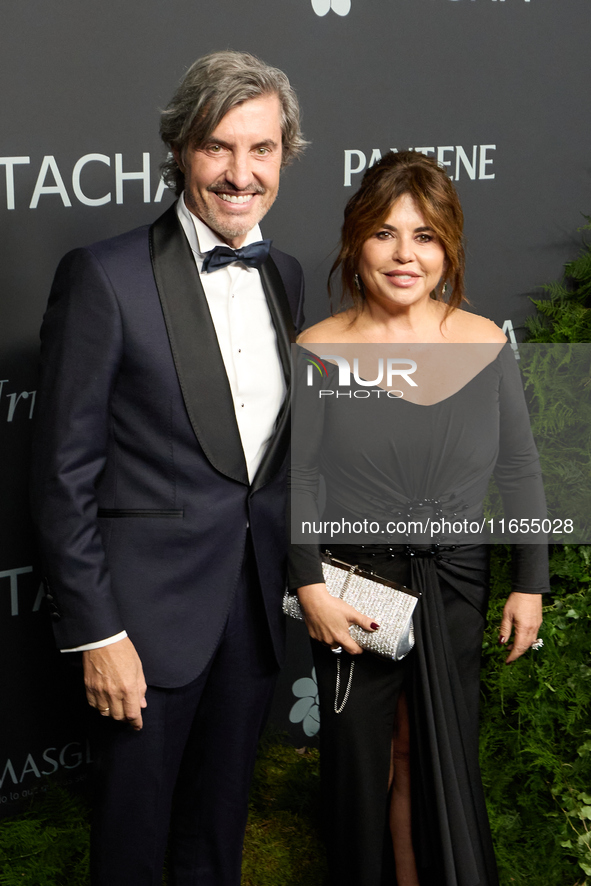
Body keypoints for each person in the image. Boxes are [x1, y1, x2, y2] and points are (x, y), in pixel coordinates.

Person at [30, 50, 306, 886]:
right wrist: (99, 633)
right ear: (181, 150)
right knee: (133, 841)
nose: (239, 173)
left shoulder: (285, 277)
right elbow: (61, 477)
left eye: (260, 150)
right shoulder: (104, 277)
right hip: (143, 629)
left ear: (284, 156)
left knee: (216, 833)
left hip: (252, 616)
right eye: (218, 147)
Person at [289, 150, 548, 886]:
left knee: (430, 753)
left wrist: (528, 583)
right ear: (354, 243)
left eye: (426, 235)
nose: (405, 255)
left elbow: (519, 470)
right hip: (353, 591)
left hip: (457, 584)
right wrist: (309, 588)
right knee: (361, 765)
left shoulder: (483, 343)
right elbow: (300, 479)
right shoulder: (321, 349)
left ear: (449, 249)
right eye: (384, 233)